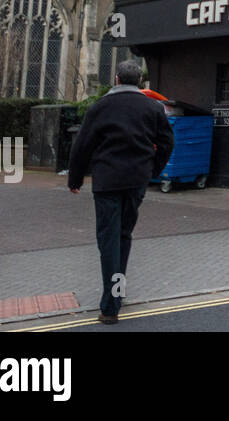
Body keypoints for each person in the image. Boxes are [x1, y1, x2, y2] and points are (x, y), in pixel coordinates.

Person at [67, 59, 175, 325]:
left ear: (116, 79)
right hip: (136, 180)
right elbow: (167, 142)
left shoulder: (100, 107)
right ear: (138, 81)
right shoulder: (152, 107)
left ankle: (110, 306)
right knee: (124, 235)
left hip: (107, 181)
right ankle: (117, 291)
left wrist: (75, 179)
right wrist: (153, 169)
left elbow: (82, 147)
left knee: (108, 240)